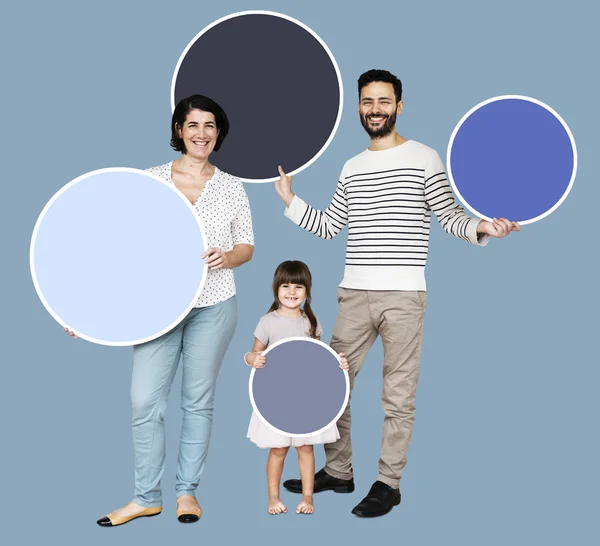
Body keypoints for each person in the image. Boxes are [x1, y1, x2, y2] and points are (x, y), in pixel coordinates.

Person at [274, 69, 520, 518]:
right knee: (332, 385)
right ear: (359, 107)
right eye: (367, 101)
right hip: (353, 292)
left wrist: (481, 226)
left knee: (398, 395)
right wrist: (291, 200)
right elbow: (330, 226)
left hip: (404, 296)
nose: (375, 109)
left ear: (399, 106)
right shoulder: (351, 166)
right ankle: (340, 471)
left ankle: (388, 483)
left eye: (383, 101)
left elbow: (449, 215)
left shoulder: (424, 158)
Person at [80, 94, 254, 526]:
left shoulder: (232, 185)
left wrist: (227, 257)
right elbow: (121, 249)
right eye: (193, 125)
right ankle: (145, 496)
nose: (202, 134)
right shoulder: (151, 179)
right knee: (144, 401)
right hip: (157, 308)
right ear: (179, 130)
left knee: (198, 402)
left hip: (214, 306)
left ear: (219, 132)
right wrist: (84, 308)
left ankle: (187, 494)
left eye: (210, 125)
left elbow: (247, 245)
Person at [244, 260, 349, 515]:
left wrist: (339, 363)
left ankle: (307, 497)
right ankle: (273, 497)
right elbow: (252, 353)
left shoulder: (310, 321)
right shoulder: (267, 321)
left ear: (307, 291)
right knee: (278, 449)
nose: (292, 292)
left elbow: (320, 359)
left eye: (298, 287)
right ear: (276, 289)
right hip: (275, 398)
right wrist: (252, 359)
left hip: (306, 399)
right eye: (286, 286)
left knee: (305, 447)